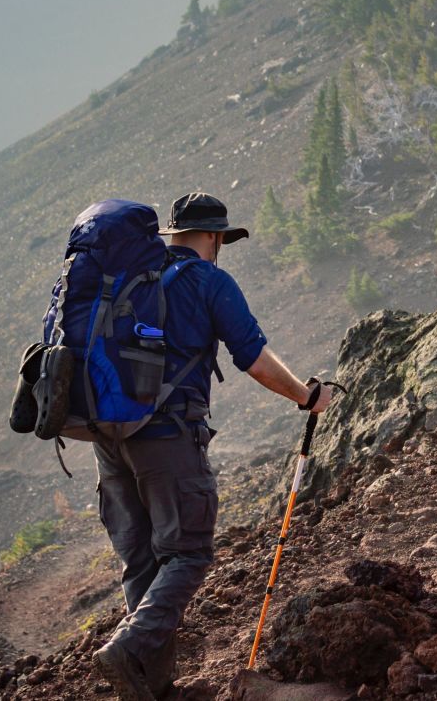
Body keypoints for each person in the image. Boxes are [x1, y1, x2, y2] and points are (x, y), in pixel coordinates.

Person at [92, 192, 333, 701]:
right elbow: (254, 357)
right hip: (166, 437)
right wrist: (306, 396)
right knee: (189, 553)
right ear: (216, 237)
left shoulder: (126, 280)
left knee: (142, 562)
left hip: (107, 438)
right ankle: (130, 649)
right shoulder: (208, 281)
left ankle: (152, 688)